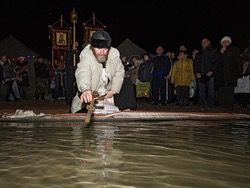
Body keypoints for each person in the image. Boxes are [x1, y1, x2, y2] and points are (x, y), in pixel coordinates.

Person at [71, 30, 125, 113]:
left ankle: (126, 113)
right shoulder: (86, 55)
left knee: (127, 85)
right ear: (92, 48)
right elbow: (83, 71)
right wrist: (85, 89)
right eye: (99, 49)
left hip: (107, 93)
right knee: (83, 113)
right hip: (92, 94)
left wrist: (113, 90)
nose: (102, 52)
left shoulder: (114, 54)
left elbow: (120, 71)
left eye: (105, 49)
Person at [194, 38, 220, 107]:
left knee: (211, 89)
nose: (203, 43)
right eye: (202, 42)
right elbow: (196, 63)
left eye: (205, 41)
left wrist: (212, 71)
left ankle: (210, 105)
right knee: (201, 90)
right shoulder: (199, 53)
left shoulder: (214, 51)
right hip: (201, 74)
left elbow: (216, 62)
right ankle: (202, 104)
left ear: (209, 42)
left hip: (210, 74)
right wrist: (197, 72)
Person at [215, 36, 240, 108]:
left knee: (229, 89)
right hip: (221, 75)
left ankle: (229, 105)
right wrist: (220, 53)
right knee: (221, 90)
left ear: (229, 42)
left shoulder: (234, 49)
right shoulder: (219, 51)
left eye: (227, 41)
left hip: (231, 74)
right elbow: (215, 62)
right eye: (223, 42)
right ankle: (221, 104)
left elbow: (238, 61)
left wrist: (238, 73)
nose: (225, 43)